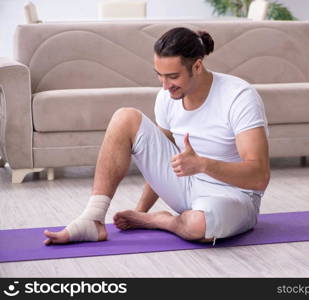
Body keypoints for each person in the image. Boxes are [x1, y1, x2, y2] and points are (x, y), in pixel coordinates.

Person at [43, 27, 270, 245]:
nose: (165, 85)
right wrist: (140, 211)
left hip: (235, 196)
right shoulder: (167, 97)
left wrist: (202, 165)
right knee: (125, 117)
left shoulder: (239, 96)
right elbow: (159, 162)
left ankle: (164, 221)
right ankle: (93, 218)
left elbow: (259, 176)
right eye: (159, 75)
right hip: (187, 184)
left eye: (172, 76)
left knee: (196, 226)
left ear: (198, 66)